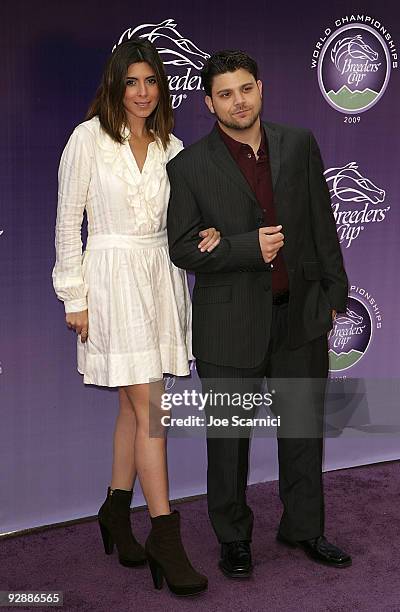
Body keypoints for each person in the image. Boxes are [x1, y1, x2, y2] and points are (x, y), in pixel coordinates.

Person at [166, 49, 352, 579]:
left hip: (300, 316)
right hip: (229, 325)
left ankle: (304, 528)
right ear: (208, 103)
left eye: (245, 88)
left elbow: (322, 221)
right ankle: (233, 537)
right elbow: (182, 247)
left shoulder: (298, 144)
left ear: (261, 89)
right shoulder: (189, 167)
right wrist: (247, 247)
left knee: (302, 431)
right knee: (228, 442)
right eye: (225, 93)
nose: (238, 101)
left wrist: (334, 292)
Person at [52, 39, 217, 596]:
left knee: (132, 404)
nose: (143, 92)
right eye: (132, 82)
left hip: (159, 278)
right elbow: (67, 220)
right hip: (109, 281)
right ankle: (165, 535)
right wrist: (73, 294)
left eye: (151, 82)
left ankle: (116, 511)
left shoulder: (174, 146)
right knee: (151, 409)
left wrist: (207, 233)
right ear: (116, 84)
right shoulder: (88, 138)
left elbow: (187, 217)